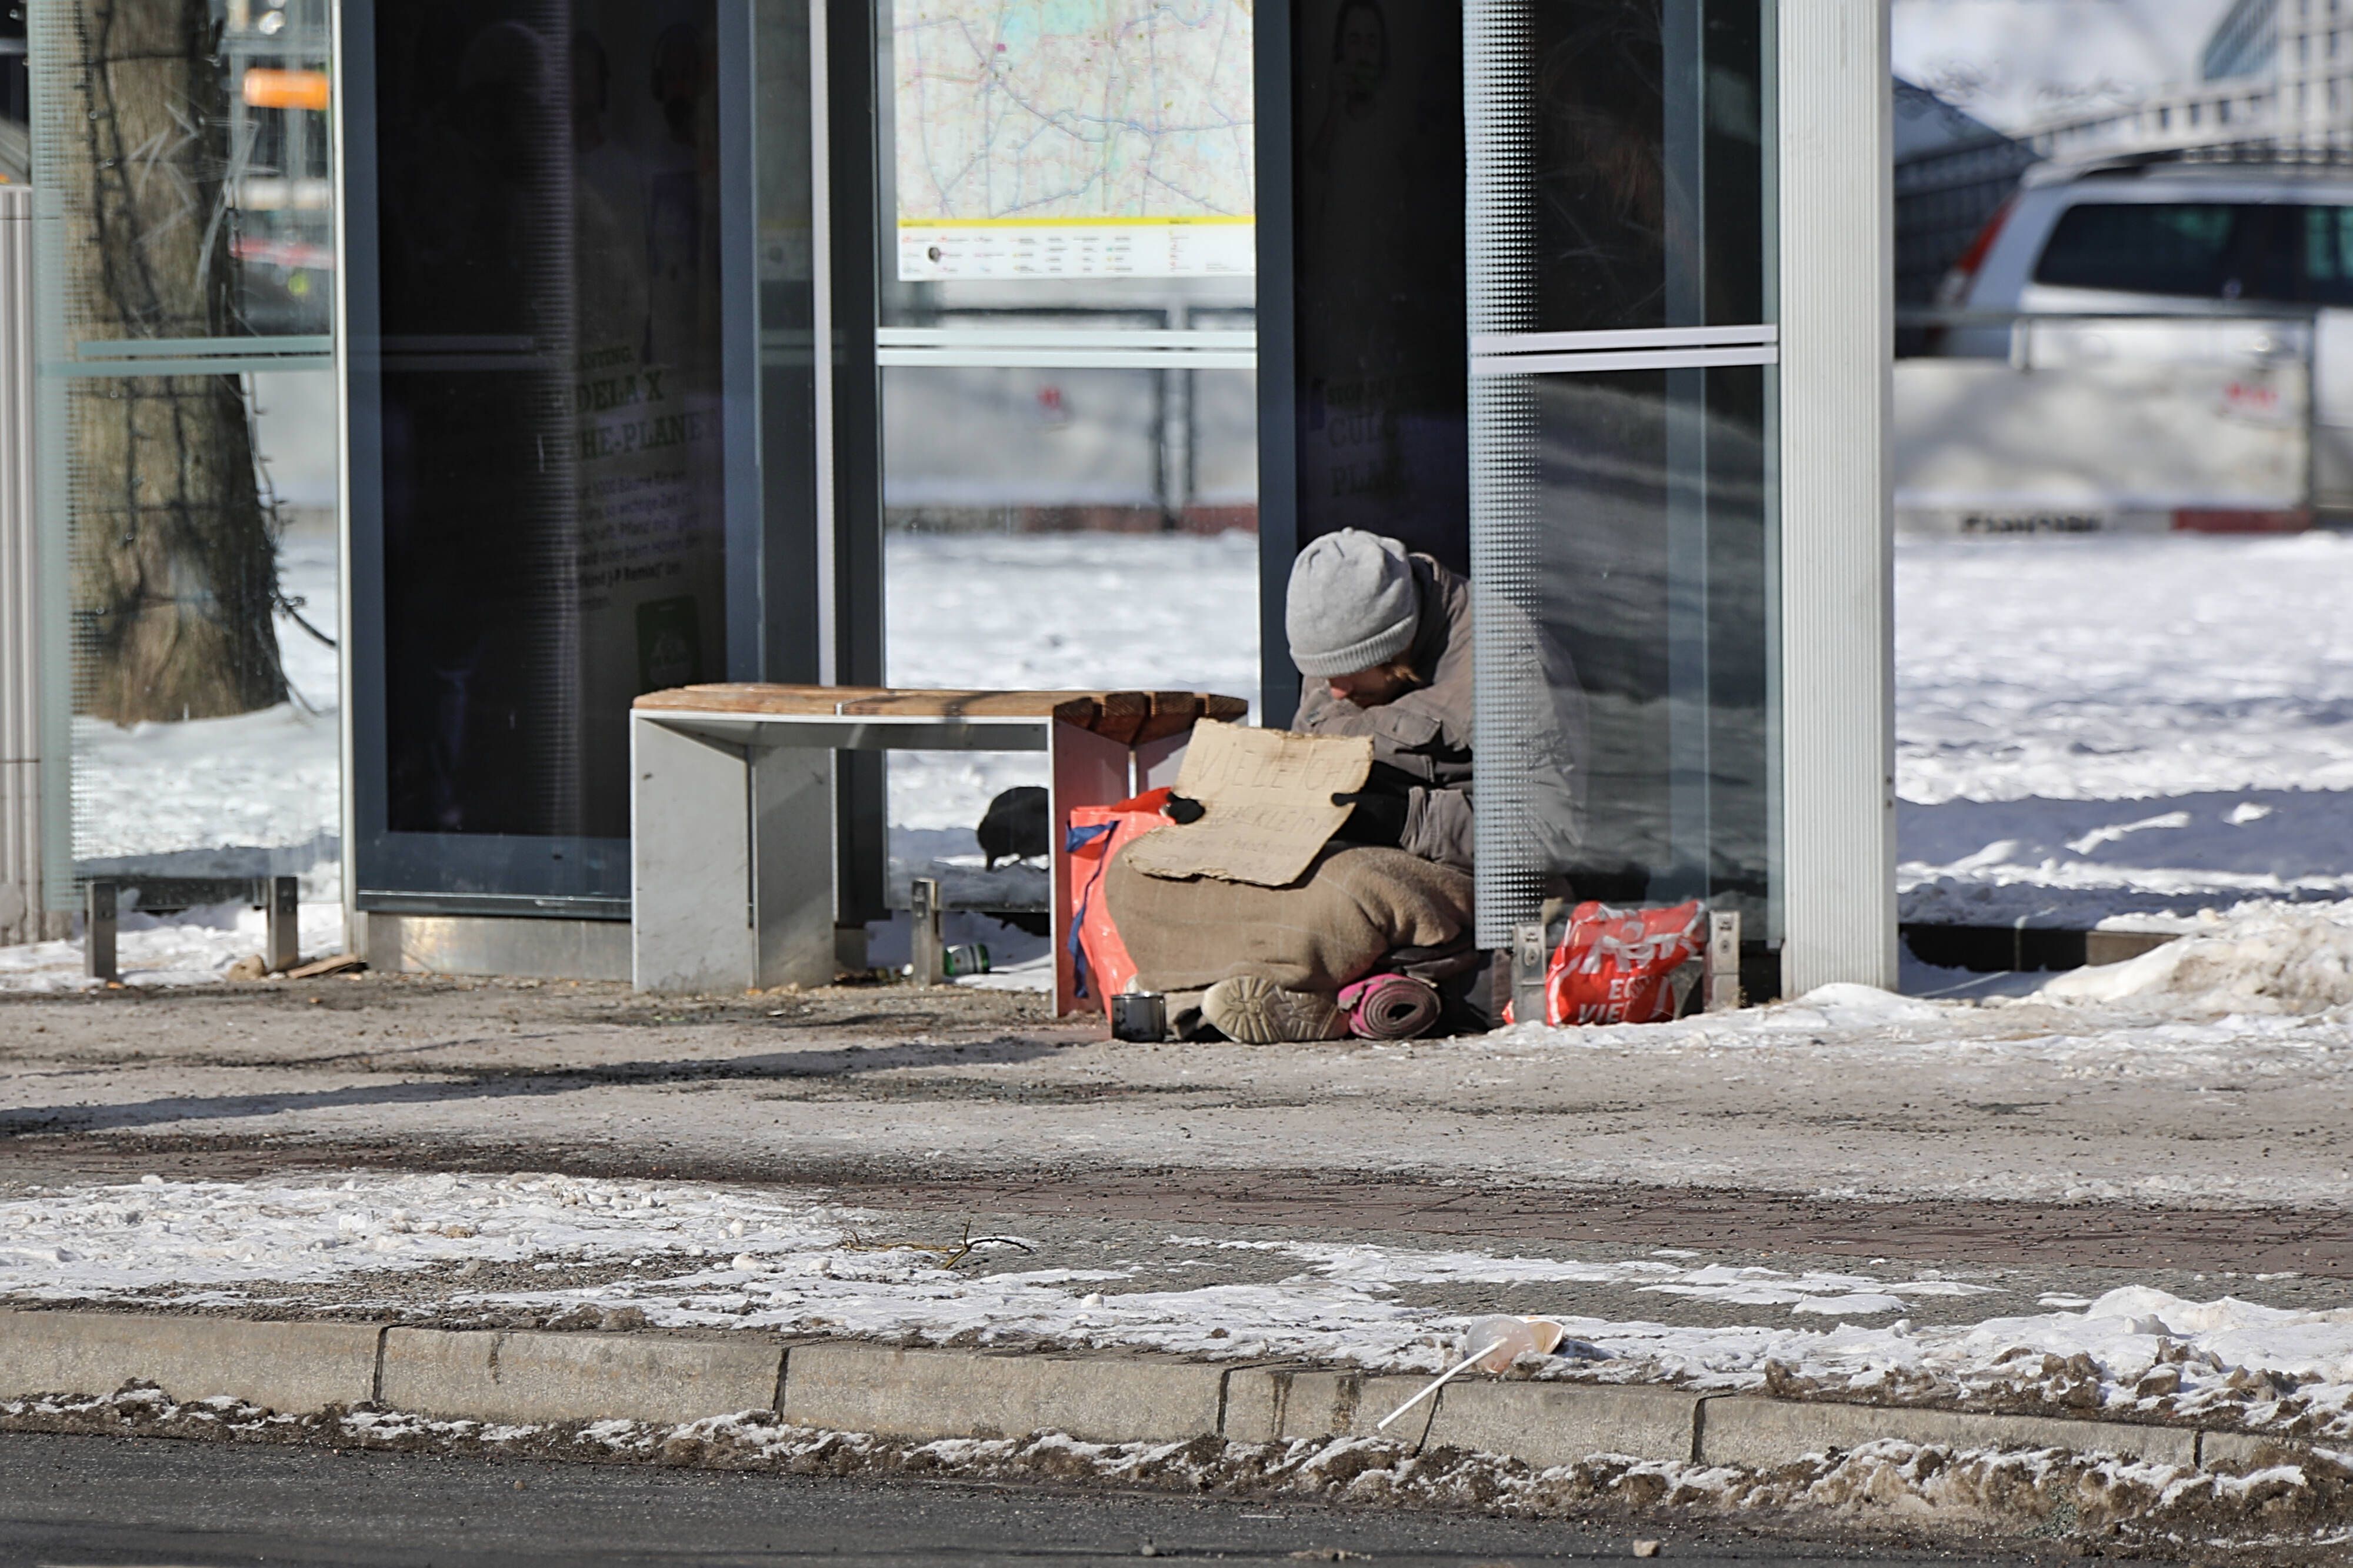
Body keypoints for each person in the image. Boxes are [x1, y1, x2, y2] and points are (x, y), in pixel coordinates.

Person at [1103, 529, 1586, 1043]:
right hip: (1335, 847)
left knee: (1341, 896)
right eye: (1319, 672)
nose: (1333, 689)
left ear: (1398, 641)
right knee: (1137, 870)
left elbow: (1558, 832)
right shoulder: (1341, 653)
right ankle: (1271, 992)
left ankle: (1261, 993)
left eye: (1350, 672)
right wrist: (1225, 811)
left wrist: (1404, 817)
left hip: (1445, 870)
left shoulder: (1507, 659)